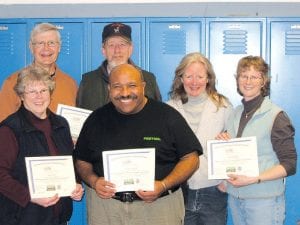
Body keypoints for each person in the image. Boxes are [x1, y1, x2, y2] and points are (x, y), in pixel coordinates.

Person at [74, 63, 202, 225]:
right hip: (106, 209)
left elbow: (191, 158)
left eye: (132, 85)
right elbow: (82, 160)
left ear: (143, 87)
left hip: (159, 208)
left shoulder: (167, 116)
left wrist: (163, 185)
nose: (125, 93)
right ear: (109, 89)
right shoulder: (96, 119)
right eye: (117, 86)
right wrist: (93, 181)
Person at [217, 55, 297, 225]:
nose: (248, 81)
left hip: (264, 201)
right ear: (237, 79)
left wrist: (255, 178)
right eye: (244, 75)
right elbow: (233, 155)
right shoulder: (235, 113)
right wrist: (222, 141)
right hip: (237, 198)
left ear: (264, 82)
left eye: (254, 76)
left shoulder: (277, 116)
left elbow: (290, 165)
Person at [0, 65, 84, 225]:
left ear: (50, 93)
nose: (39, 96)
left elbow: (70, 162)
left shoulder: (61, 124)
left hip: (58, 217)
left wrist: (76, 184)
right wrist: (29, 195)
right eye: (32, 91)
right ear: (21, 95)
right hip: (22, 217)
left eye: (43, 90)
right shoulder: (9, 129)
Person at [167, 52, 232, 225]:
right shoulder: (169, 108)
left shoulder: (223, 106)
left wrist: (226, 182)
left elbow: (235, 147)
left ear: (208, 79)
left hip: (213, 190)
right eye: (188, 76)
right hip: (179, 190)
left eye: (200, 76)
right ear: (180, 78)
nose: (194, 82)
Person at [0, 22, 78, 122]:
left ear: (59, 47)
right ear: (31, 47)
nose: (46, 48)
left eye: (51, 43)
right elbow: (3, 126)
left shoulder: (70, 83)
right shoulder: (13, 82)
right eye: (40, 43)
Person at [76, 22, 161, 111]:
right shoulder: (88, 81)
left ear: (130, 49)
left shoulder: (148, 80)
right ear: (103, 50)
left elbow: (158, 116)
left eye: (122, 44)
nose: (117, 50)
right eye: (111, 45)